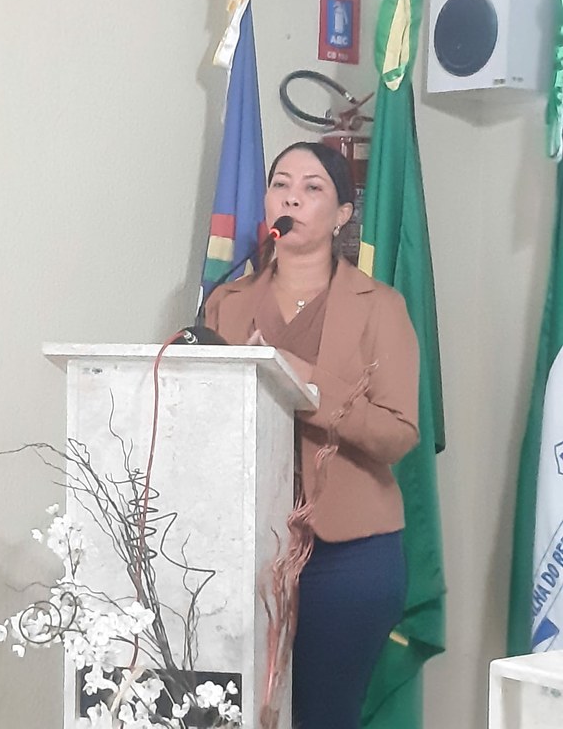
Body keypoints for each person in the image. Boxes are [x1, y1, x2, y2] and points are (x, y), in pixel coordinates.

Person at [205, 141, 419, 729]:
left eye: (312, 187)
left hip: (347, 553)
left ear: (343, 214)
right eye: (280, 184)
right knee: (234, 710)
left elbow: (398, 434)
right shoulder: (226, 303)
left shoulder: (381, 307)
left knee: (323, 716)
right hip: (242, 548)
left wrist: (306, 383)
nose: (291, 197)